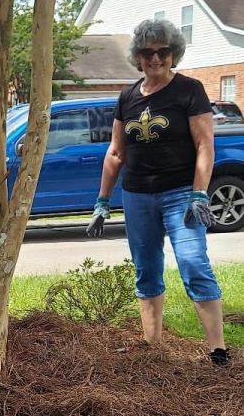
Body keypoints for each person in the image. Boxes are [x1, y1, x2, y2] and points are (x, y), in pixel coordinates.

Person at [86, 19, 229, 366]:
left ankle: (218, 351)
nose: (155, 58)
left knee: (193, 263)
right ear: (137, 57)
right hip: (137, 196)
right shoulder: (127, 97)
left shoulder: (189, 90)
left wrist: (199, 192)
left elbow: (204, 144)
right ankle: (153, 348)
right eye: (147, 52)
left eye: (163, 51)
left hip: (181, 195)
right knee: (146, 268)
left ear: (173, 54)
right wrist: (102, 200)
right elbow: (116, 152)